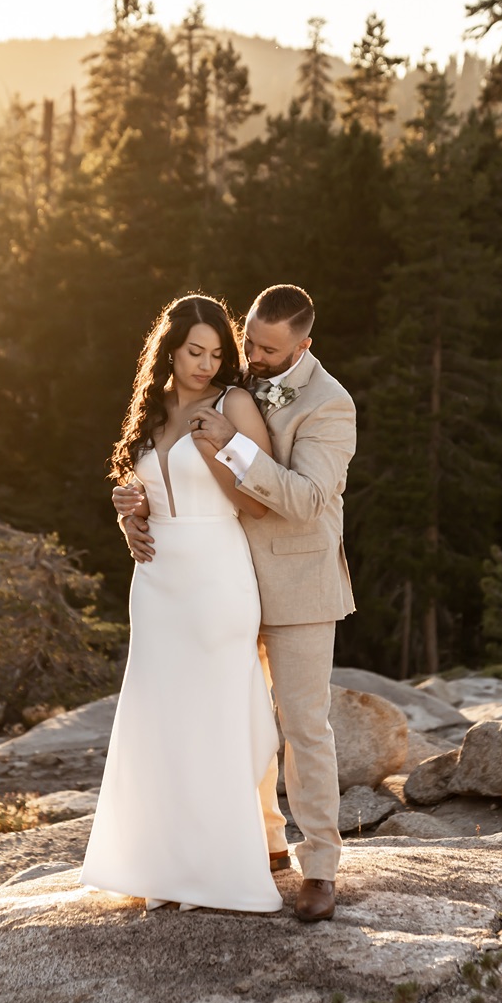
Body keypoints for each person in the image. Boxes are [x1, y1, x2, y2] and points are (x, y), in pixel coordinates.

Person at [116, 284, 356, 923]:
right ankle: (265, 841)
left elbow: (305, 499)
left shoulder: (331, 405)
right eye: (246, 340)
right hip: (217, 576)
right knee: (236, 715)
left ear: (304, 345)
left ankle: (321, 868)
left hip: (296, 583)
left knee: (303, 726)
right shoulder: (229, 382)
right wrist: (139, 511)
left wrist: (231, 442)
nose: (248, 356)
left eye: (265, 348)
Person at [80, 293, 284, 914]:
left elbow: (260, 500)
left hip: (219, 577)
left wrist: (218, 450)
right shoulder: (152, 409)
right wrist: (130, 507)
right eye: (195, 351)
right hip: (158, 581)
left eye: (217, 353)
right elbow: (144, 487)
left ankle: (217, 868)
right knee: (161, 720)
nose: (205, 364)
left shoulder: (234, 405)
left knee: (214, 717)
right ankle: (159, 867)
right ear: (169, 350)